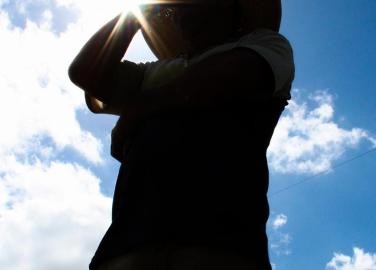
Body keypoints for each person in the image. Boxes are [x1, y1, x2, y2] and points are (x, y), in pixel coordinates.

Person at [68, 0, 294, 269]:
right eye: (178, 8)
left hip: (222, 242)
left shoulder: (267, 45)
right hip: (127, 242)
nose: (184, 14)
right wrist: (132, 18)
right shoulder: (152, 72)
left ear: (230, 9)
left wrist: (139, 109)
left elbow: (229, 76)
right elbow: (85, 72)